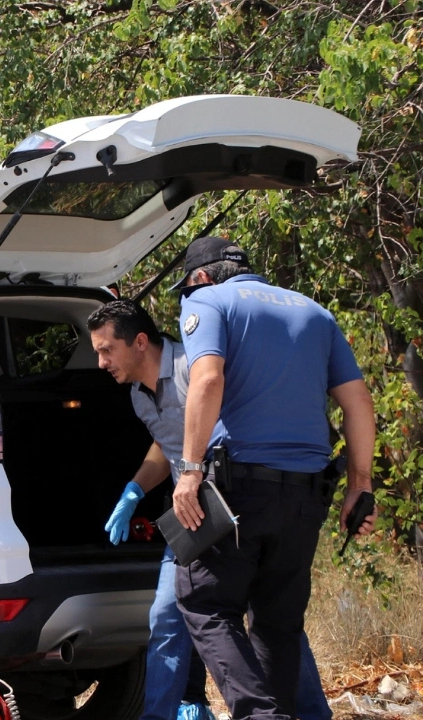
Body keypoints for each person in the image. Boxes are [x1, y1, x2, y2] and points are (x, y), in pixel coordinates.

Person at [87, 300, 331, 720]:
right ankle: (163, 713)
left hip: (236, 506)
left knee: (269, 618)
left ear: (140, 342)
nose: (100, 361)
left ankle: (309, 713)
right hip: (192, 514)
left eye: (107, 349)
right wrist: (134, 489)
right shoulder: (137, 397)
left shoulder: (193, 366)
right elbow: (167, 448)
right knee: (167, 616)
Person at [170, 236, 376, 720]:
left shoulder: (207, 300)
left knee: (203, 602)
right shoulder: (316, 313)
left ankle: (259, 714)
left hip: (239, 486)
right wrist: (360, 485)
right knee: (277, 621)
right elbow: (359, 403)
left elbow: (207, 379)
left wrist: (191, 470)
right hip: (307, 495)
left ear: (200, 276)